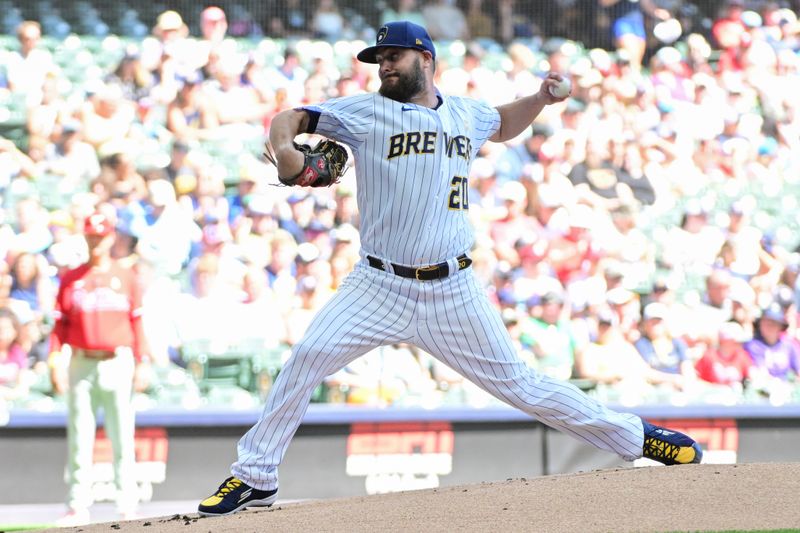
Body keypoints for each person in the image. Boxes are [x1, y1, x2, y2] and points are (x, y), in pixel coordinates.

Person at [198, 20, 703, 517]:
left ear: (426, 59)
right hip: (377, 284)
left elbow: (502, 124)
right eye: (380, 60)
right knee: (305, 357)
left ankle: (638, 437)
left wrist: (541, 99)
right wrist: (288, 153)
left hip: (452, 290)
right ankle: (255, 476)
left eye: (394, 56)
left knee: (522, 386)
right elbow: (288, 119)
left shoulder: (464, 113)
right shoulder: (365, 112)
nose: (385, 67)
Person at [48, 212, 152, 526]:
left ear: (110, 238)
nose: (96, 240)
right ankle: (77, 505)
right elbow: (59, 326)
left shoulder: (127, 276)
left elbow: (138, 323)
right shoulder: (71, 278)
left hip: (117, 360)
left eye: (101, 235)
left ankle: (127, 504)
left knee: (123, 435)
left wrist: (142, 361)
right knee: (80, 436)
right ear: (85, 237)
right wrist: (55, 361)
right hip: (81, 360)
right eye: (92, 235)